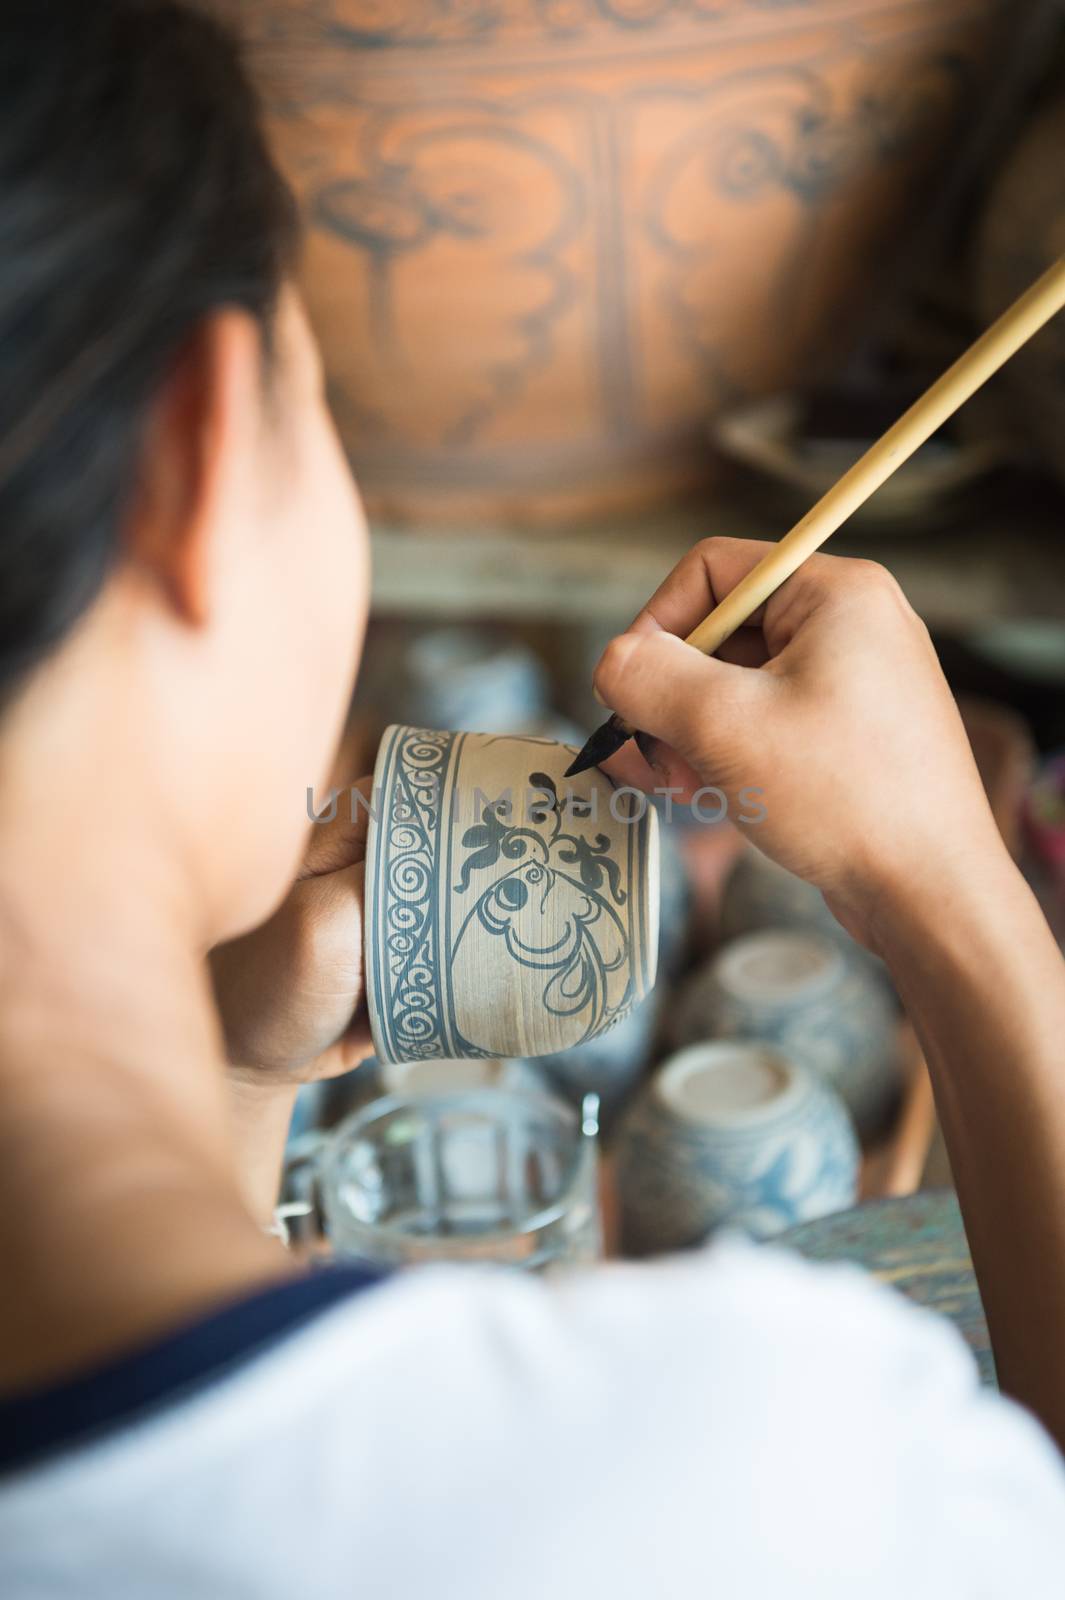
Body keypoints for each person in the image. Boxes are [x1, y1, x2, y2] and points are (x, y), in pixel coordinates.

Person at [1, 4, 1063, 1595]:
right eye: (324, 411)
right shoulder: (741, 1469)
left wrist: (225, 1076)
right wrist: (950, 893)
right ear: (196, 460)